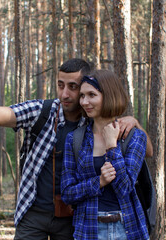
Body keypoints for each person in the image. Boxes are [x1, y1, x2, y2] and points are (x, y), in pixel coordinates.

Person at [0, 59, 152, 240]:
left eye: (74, 87)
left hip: (73, 218)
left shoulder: (98, 121)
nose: (66, 94)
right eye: (61, 85)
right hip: (34, 211)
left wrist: (135, 123)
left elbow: (146, 151)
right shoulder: (43, 111)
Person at [61, 69, 150, 240]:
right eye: (82, 96)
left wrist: (111, 146)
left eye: (91, 95)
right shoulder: (75, 139)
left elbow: (125, 188)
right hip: (88, 230)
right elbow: (67, 193)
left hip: (127, 229)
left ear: (108, 96)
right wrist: (98, 182)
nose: (84, 101)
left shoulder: (135, 137)